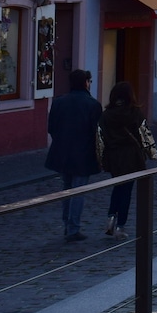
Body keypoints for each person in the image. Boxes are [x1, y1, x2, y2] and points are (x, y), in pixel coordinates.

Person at [45, 68, 102, 243]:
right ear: (86, 83)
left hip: (62, 152)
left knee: (67, 189)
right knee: (78, 191)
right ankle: (73, 228)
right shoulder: (92, 104)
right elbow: (97, 133)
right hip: (83, 154)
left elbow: (51, 128)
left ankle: (67, 225)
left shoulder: (58, 102)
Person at [98, 81, 153, 239]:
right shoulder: (135, 112)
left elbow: (100, 137)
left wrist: (101, 158)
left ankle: (110, 218)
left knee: (117, 186)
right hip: (131, 156)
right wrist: (151, 153)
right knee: (126, 191)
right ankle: (120, 226)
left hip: (114, 156)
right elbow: (145, 134)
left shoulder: (106, 114)